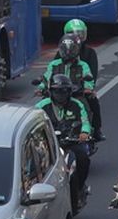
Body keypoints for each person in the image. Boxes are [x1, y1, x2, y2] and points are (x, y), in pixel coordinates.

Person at [36, 75, 91, 207]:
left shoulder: (77, 105)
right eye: (57, 91)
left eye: (64, 91)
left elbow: (85, 122)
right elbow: (33, 121)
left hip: (71, 143)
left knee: (83, 158)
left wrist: (84, 133)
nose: (60, 94)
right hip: (49, 144)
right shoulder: (42, 106)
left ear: (69, 92)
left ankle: (79, 188)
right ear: (51, 91)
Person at [62, 19, 102, 138]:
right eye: (74, 34)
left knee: (93, 101)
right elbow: (51, 71)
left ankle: (97, 128)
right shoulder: (61, 53)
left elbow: (92, 73)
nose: (77, 37)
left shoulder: (89, 53)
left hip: (79, 87)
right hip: (62, 87)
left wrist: (88, 87)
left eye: (80, 34)